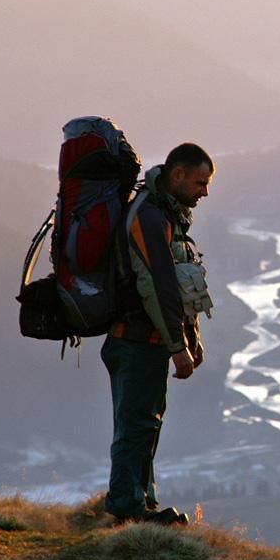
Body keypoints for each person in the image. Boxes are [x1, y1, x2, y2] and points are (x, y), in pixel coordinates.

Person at [101, 143, 214, 524]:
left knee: (146, 422)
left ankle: (142, 501)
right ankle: (128, 507)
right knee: (136, 425)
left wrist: (189, 337)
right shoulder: (150, 216)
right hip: (135, 340)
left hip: (143, 341)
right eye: (200, 182)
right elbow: (158, 284)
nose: (205, 192)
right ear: (177, 174)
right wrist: (177, 345)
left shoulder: (165, 213)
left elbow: (176, 285)